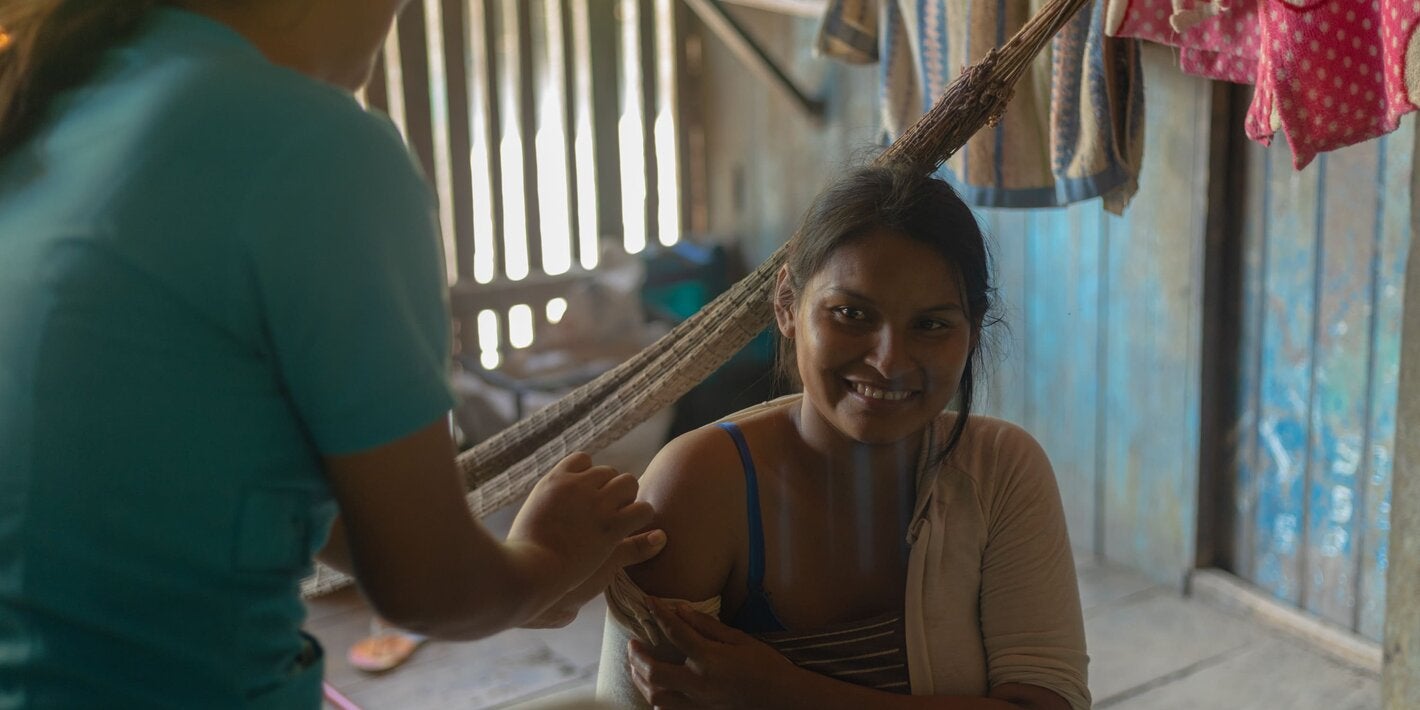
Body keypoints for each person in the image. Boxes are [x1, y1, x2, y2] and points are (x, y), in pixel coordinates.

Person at [0, 2, 662, 707]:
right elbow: (432, 590)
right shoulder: (311, 145)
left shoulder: (58, 107)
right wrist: (546, 563)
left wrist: (517, 581)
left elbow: (199, 461)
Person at [597, 165, 1090, 709]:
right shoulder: (698, 486)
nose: (889, 360)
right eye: (851, 313)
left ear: (972, 333)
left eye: (931, 325)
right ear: (787, 304)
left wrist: (785, 693)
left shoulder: (1000, 470)